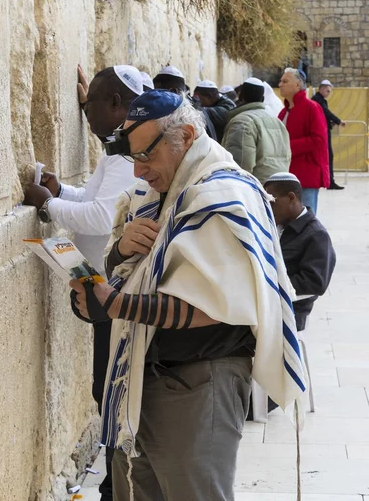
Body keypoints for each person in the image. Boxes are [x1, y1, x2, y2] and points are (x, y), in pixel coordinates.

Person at [70, 90, 306, 501]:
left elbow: (215, 308)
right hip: (144, 379)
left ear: (187, 136)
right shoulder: (158, 194)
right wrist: (121, 250)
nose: (139, 171)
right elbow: (132, 273)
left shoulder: (223, 196)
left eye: (147, 156)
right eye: (133, 158)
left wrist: (114, 303)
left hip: (199, 385)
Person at [24, 64, 143, 501]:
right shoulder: (117, 149)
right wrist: (62, 191)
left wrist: (50, 204)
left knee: (113, 390)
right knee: (106, 388)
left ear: (115, 104)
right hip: (98, 287)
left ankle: (119, 486)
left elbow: (100, 216)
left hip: (116, 292)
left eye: (89, 104)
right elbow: (94, 200)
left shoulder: (132, 152)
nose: (85, 112)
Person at [264, 172, 336, 330]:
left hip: (289, 312)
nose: (268, 208)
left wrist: (267, 285)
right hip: (267, 305)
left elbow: (315, 282)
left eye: (272, 202)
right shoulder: (276, 226)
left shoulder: (316, 235)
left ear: (291, 198)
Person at [278, 68, 329, 214]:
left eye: (285, 81)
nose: (280, 84)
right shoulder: (284, 112)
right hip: (288, 172)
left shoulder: (312, 108)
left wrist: (288, 147)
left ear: (298, 85)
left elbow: (318, 139)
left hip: (307, 173)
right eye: (281, 81)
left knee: (306, 219)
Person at [222, 77, 291, 184]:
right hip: (279, 186)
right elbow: (287, 157)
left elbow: (240, 165)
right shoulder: (276, 121)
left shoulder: (242, 122)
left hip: (255, 189)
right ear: (262, 98)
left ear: (241, 96)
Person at [153, 65, 217, 140]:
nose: (155, 97)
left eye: (159, 92)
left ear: (173, 91)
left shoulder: (192, 115)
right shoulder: (183, 109)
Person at [312, 79, 346, 190]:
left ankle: (330, 181)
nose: (328, 93)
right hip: (321, 133)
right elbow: (326, 112)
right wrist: (338, 121)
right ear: (321, 89)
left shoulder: (320, 100)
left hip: (323, 131)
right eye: (327, 91)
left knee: (328, 156)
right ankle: (329, 181)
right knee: (327, 156)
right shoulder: (318, 100)